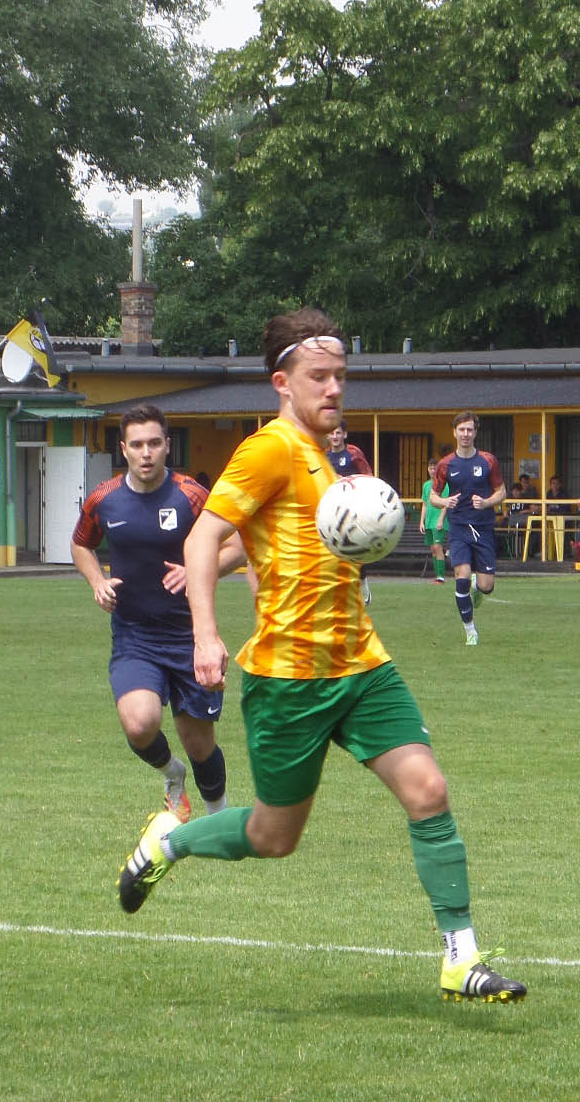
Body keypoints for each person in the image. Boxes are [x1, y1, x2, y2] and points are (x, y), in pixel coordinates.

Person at [115, 308, 525, 1007]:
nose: (334, 387)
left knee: (428, 791)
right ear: (283, 382)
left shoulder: (330, 454)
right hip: (289, 679)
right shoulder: (269, 449)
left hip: (362, 664)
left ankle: (461, 958)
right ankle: (167, 844)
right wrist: (206, 635)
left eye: (340, 375)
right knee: (274, 836)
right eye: (319, 376)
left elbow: (271, 538)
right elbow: (203, 538)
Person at [71, 404, 244, 824]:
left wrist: (196, 569)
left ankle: (217, 819)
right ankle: (171, 773)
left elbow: (237, 547)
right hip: (135, 636)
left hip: (190, 636)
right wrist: (96, 581)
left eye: (153, 443)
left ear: (167, 445)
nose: (146, 453)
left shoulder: (191, 495)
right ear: (123, 449)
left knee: (198, 743)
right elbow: (80, 544)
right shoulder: (104, 498)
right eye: (137, 445)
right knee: (139, 724)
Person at [430, 412, 504, 645]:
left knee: (487, 586)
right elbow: (433, 496)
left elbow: (501, 492)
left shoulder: (488, 461)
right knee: (461, 577)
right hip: (459, 527)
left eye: (469, 430)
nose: (465, 434)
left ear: (475, 433)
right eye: (461, 429)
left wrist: (486, 502)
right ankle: (470, 631)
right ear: (454, 432)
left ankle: (478, 587)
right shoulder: (445, 464)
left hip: (483, 528)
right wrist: (445, 501)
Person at [324, 420, 374, 603]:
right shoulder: (324, 455)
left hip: (352, 508)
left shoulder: (353, 453)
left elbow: (368, 477)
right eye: (332, 433)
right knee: (331, 550)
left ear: (344, 434)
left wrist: (345, 480)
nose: (335, 436)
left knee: (354, 548)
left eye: (338, 433)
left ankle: (363, 582)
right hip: (331, 509)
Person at [420, 444, 450, 582]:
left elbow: (445, 503)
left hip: (438, 520)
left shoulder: (444, 484)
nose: (432, 470)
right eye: (430, 468)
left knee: (438, 547)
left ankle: (441, 577)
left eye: (435, 468)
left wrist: (440, 520)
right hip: (429, 521)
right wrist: (422, 521)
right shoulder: (426, 485)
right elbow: (425, 504)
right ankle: (437, 574)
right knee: (432, 549)